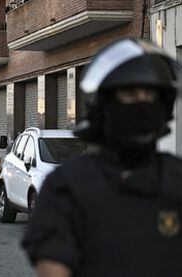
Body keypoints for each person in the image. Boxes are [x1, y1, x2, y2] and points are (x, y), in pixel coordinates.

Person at [22, 38, 182, 277]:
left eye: (150, 94)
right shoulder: (67, 186)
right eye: (129, 93)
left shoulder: (176, 178)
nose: (141, 103)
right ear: (103, 104)